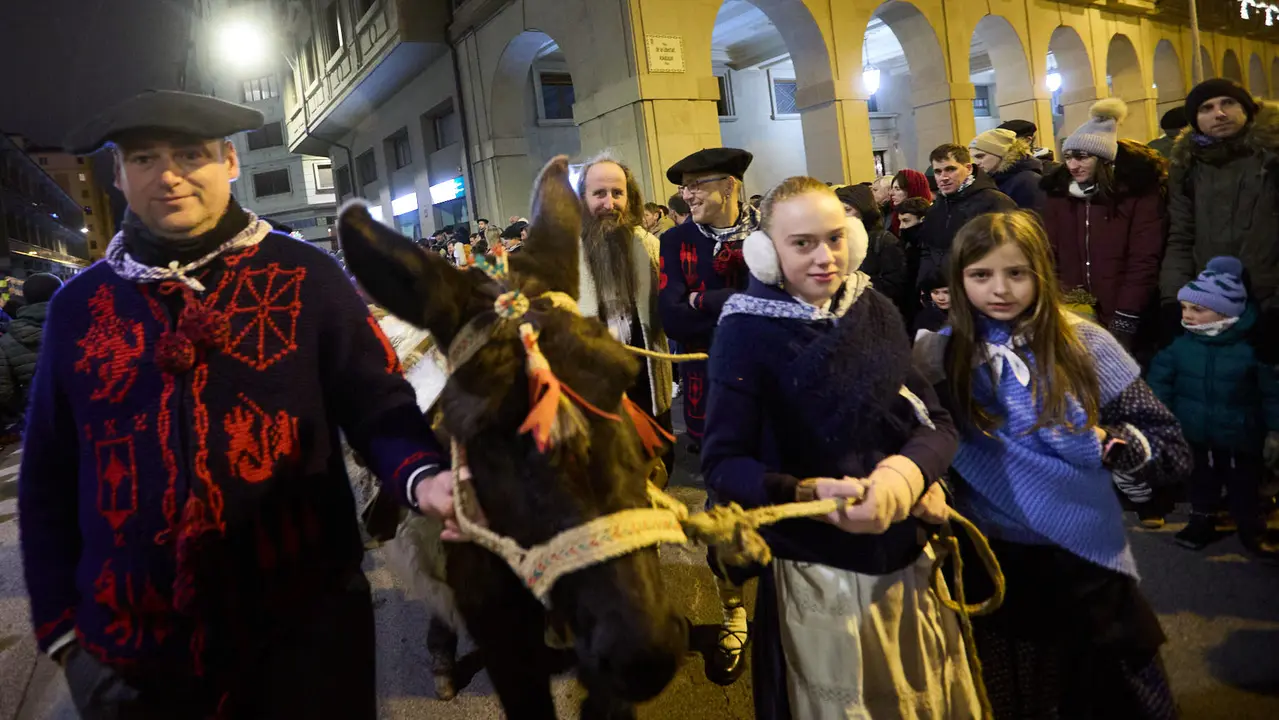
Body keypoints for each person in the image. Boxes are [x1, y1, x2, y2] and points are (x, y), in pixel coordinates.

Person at [21, 90, 456, 719]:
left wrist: (423, 475)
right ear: (119, 175)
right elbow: (47, 479)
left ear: (229, 161)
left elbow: (379, 405)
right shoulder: (77, 308)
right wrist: (64, 635)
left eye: (189, 154)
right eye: (144, 159)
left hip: (303, 640)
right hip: (131, 658)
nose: (167, 175)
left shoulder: (307, 277)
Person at [704, 176, 978, 719]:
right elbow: (722, 463)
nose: (825, 257)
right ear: (766, 252)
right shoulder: (744, 330)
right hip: (813, 573)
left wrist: (907, 476)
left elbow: (936, 423)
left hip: (904, 561)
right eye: (802, 243)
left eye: (834, 238)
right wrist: (808, 491)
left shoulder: (871, 308)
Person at [914, 211, 1187, 719]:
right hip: (992, 564)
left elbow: (1169, 447)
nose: (1000, 289)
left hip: (1084, 565)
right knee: (1016, 699)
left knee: (1108, 697)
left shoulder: (1085, 344)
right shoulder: (942, 356)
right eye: (981, 275)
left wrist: (1113, 446)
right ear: (957, 280)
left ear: (1041, 271)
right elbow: (935, 445)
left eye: (1016, 273)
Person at [657, 146, 758, 686]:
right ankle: (734, 611)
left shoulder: (768, 235)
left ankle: (794, 609)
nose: (686, 196)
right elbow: (671, 313)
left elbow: (789, 304)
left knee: (784, 502)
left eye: (696, 186)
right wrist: (734, 301)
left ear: (729, 186)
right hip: (708, 392)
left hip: (772, 393)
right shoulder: (675, 242)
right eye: (683, 188)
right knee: (722, 509)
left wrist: (704, 300)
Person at [1148, 257, 1279, 559]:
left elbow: (1271, 392)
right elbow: (1160, 383)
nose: (1187, 315)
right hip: (1195, 434)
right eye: (1184, 308)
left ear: (1224, 312)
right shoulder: (1179, 346)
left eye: (1197, 309)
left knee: (1244, 485)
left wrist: (1274, 430)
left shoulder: (1251, 350)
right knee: (1201, 482)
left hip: (1240, 438)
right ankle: (1201, 520)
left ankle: (1250, 526)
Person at [1161, 78, 1279, 356]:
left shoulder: (1273, 157)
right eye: (1207, 108)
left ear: (1247, 109)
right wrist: (1172, 299)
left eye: (1228, 103)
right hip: (1211, 306)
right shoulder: (1186, 166)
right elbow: (1181, 236)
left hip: (1269, 301)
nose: (1220, 113)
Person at [1042, 98, 1166, 350]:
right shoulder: (1059, 196)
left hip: (1124, 309)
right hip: (1073, 309)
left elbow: (1144, 257)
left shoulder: (1137, 194)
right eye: (1068, 157)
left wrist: (1127, 312)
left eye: (1082, 157)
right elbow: (1049, 252)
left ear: (1103, 159)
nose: (1072, 165)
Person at [574, 154, 673, 444]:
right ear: (582, 199)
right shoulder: (565, 255)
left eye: (618, 193)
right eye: (599, 194)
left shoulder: (651, 247)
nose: (610, 204)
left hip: (647, 384)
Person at [917, 143, 1017, 286]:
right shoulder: (936, 208)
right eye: (938, 172)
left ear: (968, 168)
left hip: (980, 289)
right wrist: (926, 284)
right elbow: (927, 249)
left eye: (950, 169)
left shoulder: (994, 201)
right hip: (941, 293)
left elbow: (1010, 250)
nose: (943, 177)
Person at [0, 273, 62, 425]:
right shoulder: (84, 327)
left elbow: (5, 390)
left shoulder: (7, 340)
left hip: (40, 421)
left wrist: (28, 407)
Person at [834, 184, 907, 307]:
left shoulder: (884, 240)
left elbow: (894, 284)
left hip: (874, 309)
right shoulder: (835, 241)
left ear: (863, 211)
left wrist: (855, 284)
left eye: (847, 210)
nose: (841, 216)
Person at [968, 128, 1046, 212]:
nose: (976, 163)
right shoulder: (991, 179)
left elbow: (1034, 220)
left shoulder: (1029, 181)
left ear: (1000, 153)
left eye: (980, 156)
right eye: (973, 158)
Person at [887, 168, 932, 236]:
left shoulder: (932, 219)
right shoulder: (894, 216)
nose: (891, 193)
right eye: (892, 188)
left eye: (897, 189)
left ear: (912, 190)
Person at [912, 267, 950, 339]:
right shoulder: (924, 319)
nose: (941, 298)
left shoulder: (967, 314)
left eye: (946, 292)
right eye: (935, 293)